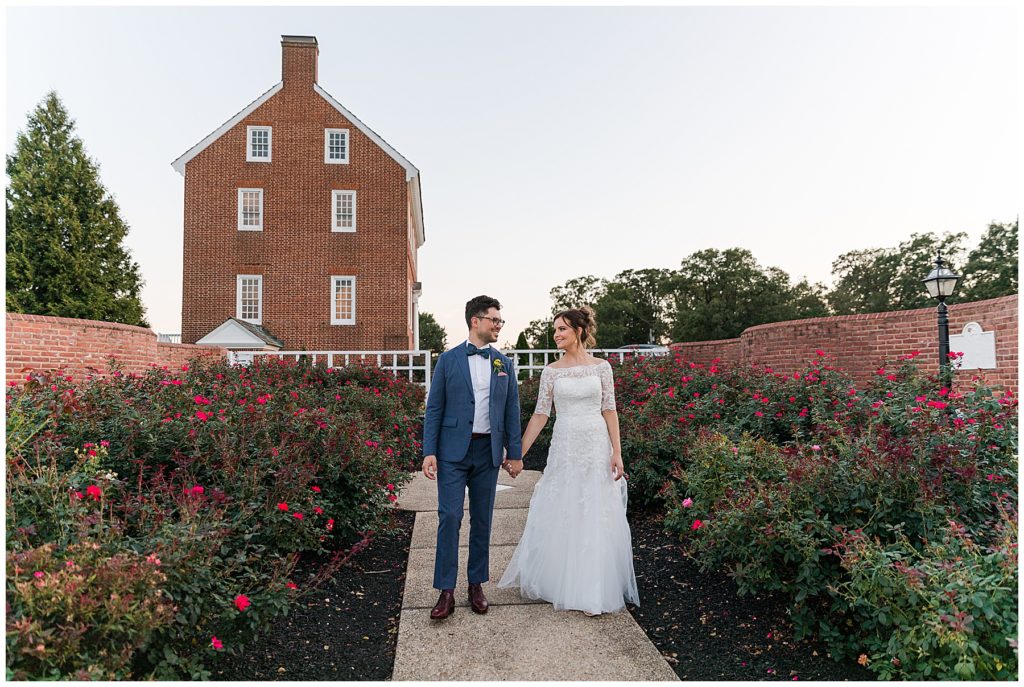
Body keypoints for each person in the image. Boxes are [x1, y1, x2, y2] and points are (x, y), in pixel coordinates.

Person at [498, 306, 639, 616]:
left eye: (562, 328)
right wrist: (518, 453)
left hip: (595, 444)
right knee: (564, 505)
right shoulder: (551, 371)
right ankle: (559, 580)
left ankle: (593, 586)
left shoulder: (602, 368)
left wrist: (617, 452)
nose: (556, 334)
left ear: (578, 331)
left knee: (594, 509)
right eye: (555, 329)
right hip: (565, 445)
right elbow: (540, 414)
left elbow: (610, 410)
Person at [421, 295, 523, 620]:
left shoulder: (504, 364)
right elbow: (434, 408)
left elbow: (512, 412)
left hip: (488, 453)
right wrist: (429, 452)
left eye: (500, 321)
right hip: (452, 452)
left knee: (483, 520)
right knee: (449, 516)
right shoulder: (448, 360)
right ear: (475, 321)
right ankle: (445, 590)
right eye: (494, 320)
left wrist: (515, 454)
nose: (499, 326)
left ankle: (475, 584)